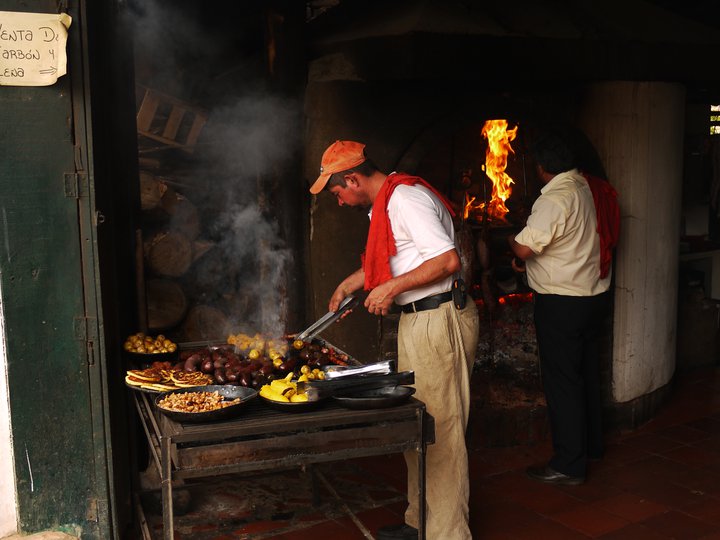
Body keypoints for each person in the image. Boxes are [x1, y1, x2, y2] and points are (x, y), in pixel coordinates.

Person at [310, 140, 479, 540]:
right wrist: (353, 282)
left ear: (352, 178)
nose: (338, 201)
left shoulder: (405, 199)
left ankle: (448, 534)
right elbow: (403, 256)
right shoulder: (385, 204)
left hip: (439, 319)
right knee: (418, 425)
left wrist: (389, 290)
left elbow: (446, 261)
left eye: (337, 192)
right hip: (420, 321)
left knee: (442, 430)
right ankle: (420, 521)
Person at [508, 129, 619, 485]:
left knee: (563, 382)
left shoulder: (555, 198)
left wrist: (513, 238)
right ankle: (591, 446)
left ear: (542, 168)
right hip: (593, 295)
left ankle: (569, 464)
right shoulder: (587, 186)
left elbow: (525, 249)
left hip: (562, 302)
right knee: (585, 372)